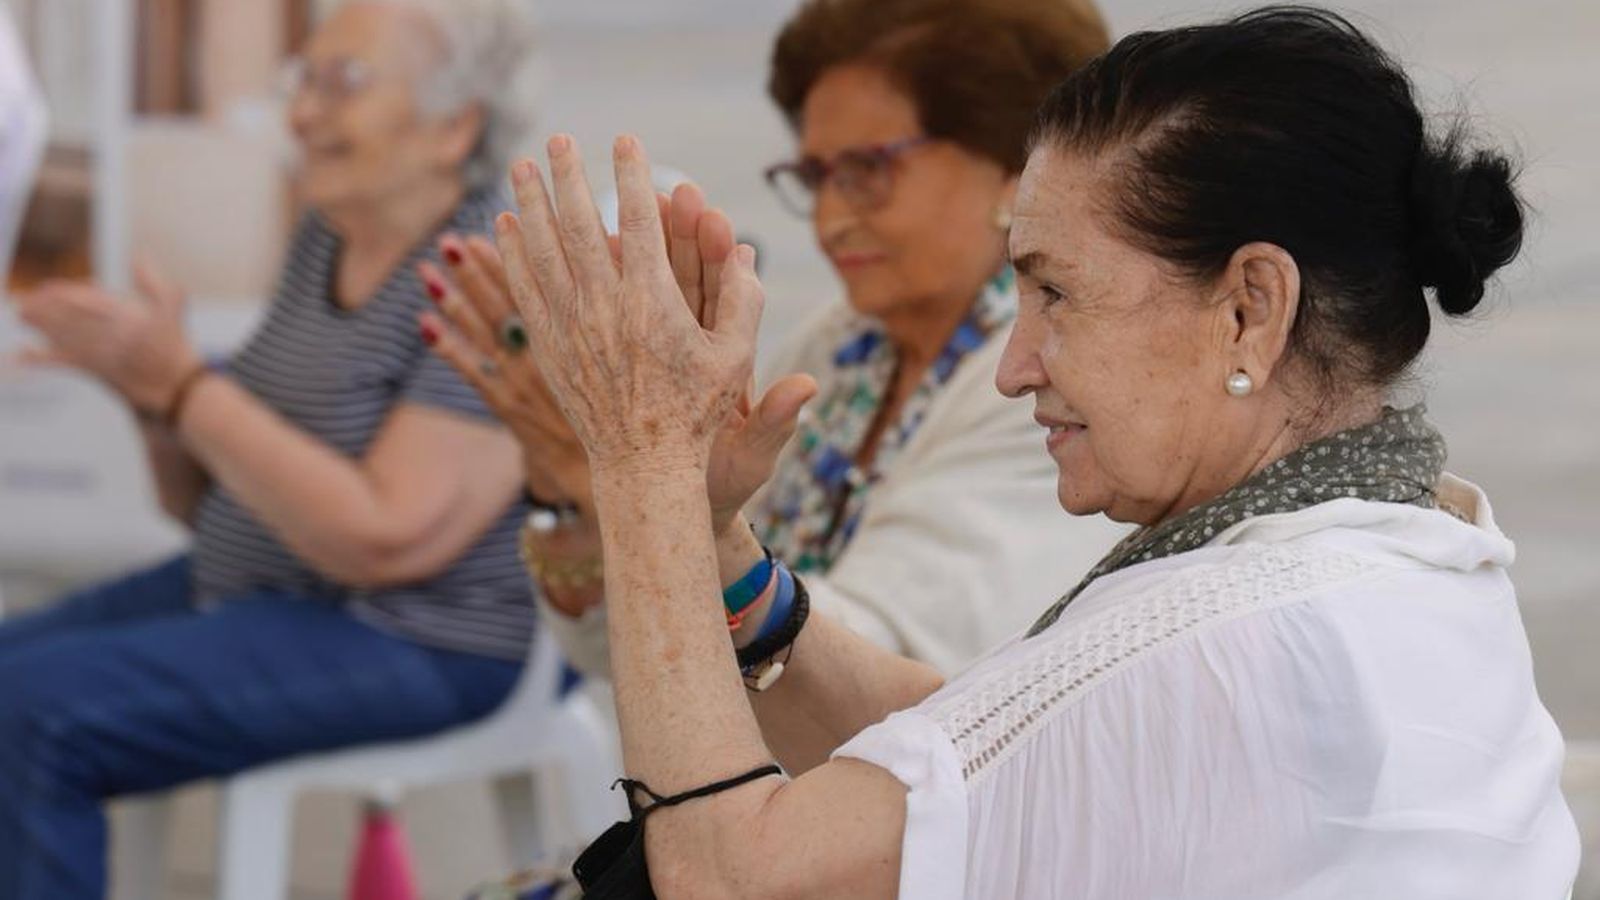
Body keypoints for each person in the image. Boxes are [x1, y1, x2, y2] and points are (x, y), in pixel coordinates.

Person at [480, 6, 1579, 899]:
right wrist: (716, 550)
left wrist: (636, 465)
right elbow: (989, 751)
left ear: (1250, 307)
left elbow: (736, 876)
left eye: (1055, 291)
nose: (1014, 367)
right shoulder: (1399, 538)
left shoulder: (1237, 634)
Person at [421, 0, 1124, 752]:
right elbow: (611, 654)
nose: (828, 220)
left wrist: (630, 475)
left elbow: (881, 687)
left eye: (866, 171)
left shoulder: (1044, 382)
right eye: (814, 176)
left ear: (1014, 171)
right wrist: (574, 482)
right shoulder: (844, 343)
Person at [0, 2, 540, 897]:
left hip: (417, 635)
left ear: (457, 126)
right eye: (302, 80)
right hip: (260, 585)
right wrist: (150, 399)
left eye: (344, 83)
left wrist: (183, 389)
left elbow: (386, 536)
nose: (302, 113)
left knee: (32, 715)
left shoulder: (494, 267)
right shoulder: (327, 236)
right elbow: (205, 504)